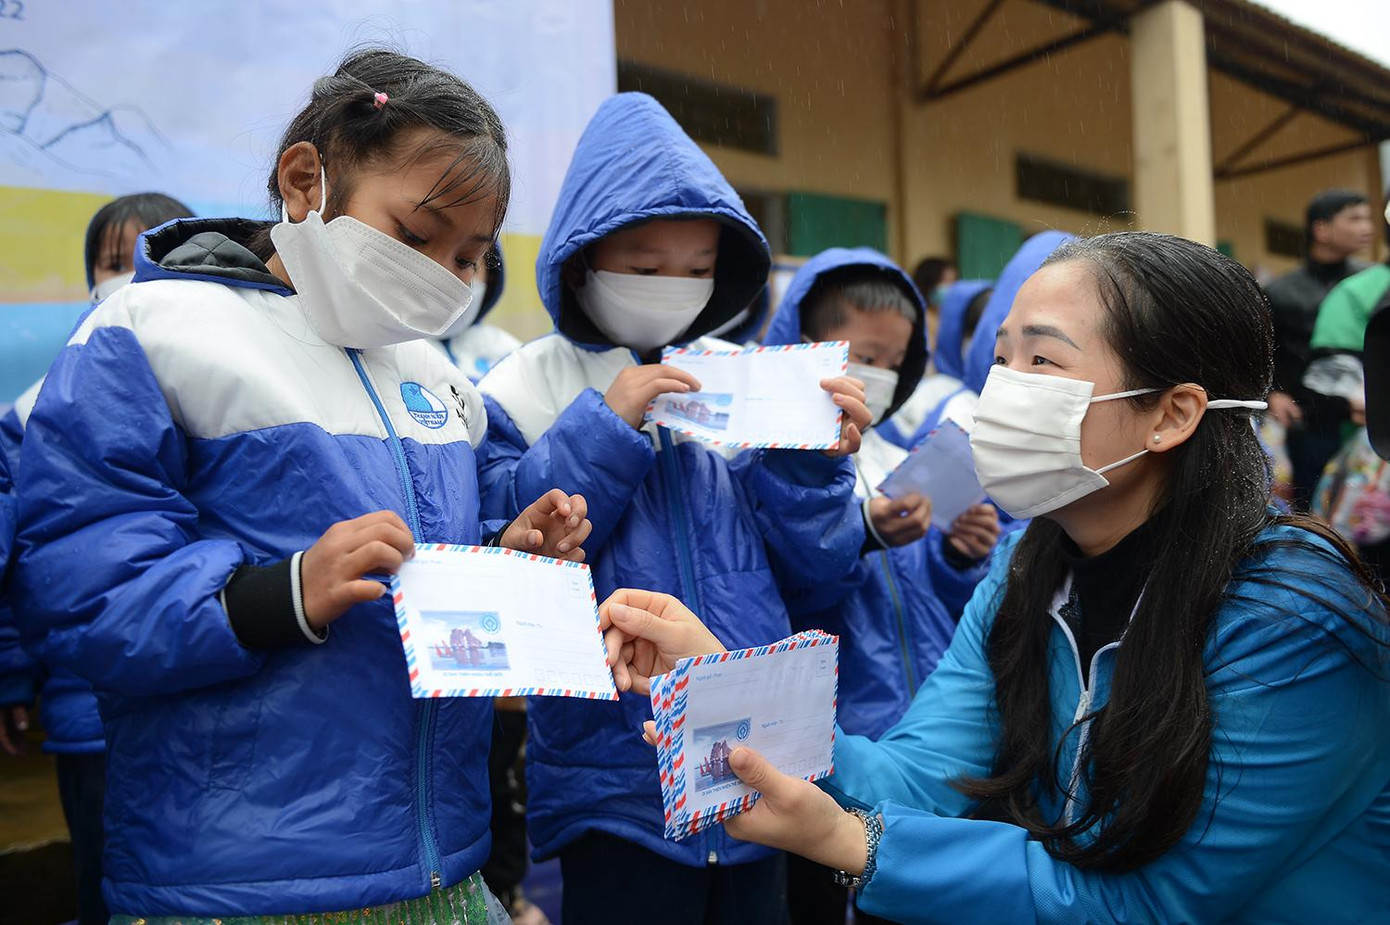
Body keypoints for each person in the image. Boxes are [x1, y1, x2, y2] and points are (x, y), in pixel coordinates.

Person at [602, 232, 1390, 924]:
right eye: (1003, 356)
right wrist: (729, 686)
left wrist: (852, 842)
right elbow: (922, 775)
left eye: (1043, 360)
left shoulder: (1296, 621)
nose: (1003, 389)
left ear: (1172, 414)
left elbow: (1147, 903)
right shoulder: (1027, 570)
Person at [10, 49, 593, 920]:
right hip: (241, 879)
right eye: (418, 236)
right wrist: (280, 593)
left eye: (469, 256)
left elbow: (420, 577)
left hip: (442, 859)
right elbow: (81, 582)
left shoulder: (435, 378)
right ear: (304, 180)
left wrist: (496, 557)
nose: (444, 274)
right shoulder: (154, 330)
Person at [475, 92, 870, 925]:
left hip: (758, 761)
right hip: (616, 779)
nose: (674, 288)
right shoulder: (525, 387)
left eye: (697, 270)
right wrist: (606, 429)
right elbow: (512, 553)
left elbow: (817, 575)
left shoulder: (750, 382)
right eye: (647, 267)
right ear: (581, 262)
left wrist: (812, 470)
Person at [760, 248, 1000, 924]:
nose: (885, 375)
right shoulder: (767, 462)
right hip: (833, 736)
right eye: (869, 355)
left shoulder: (900, 455)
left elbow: (930, 603)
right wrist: (862, 527)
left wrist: (957, 558)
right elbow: (796, 586)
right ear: (806, 346)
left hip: (918, 731)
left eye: (898, 363)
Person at [0, 192, 193, 925]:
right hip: (84, 707)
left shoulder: (220, 383)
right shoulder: (35, 404)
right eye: (113, 262)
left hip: (192, 695)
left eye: (148, 255)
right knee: (100, 876)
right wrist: (16, 672)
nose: (129, 276)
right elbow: (23, 551)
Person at [1265, 189, 1375, 505]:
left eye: (1368, 218)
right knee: (1313, 514)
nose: (1366, 227)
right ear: (1321, 229)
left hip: (1369, 424)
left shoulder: (1373, 284)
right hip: (1310, 426)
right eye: (1354, 218)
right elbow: (1262, 352)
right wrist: (1272, 392)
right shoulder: (1281, 291)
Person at [877, 279, 991, 450]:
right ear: (954, 333)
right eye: (974, 332)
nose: (988, 343)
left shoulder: (992, 392)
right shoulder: (930, 395)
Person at [434, 242, 522, 381]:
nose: (445, 275)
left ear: (490, 279)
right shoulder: (391, 350)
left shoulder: (510, 354)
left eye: (464, 262)